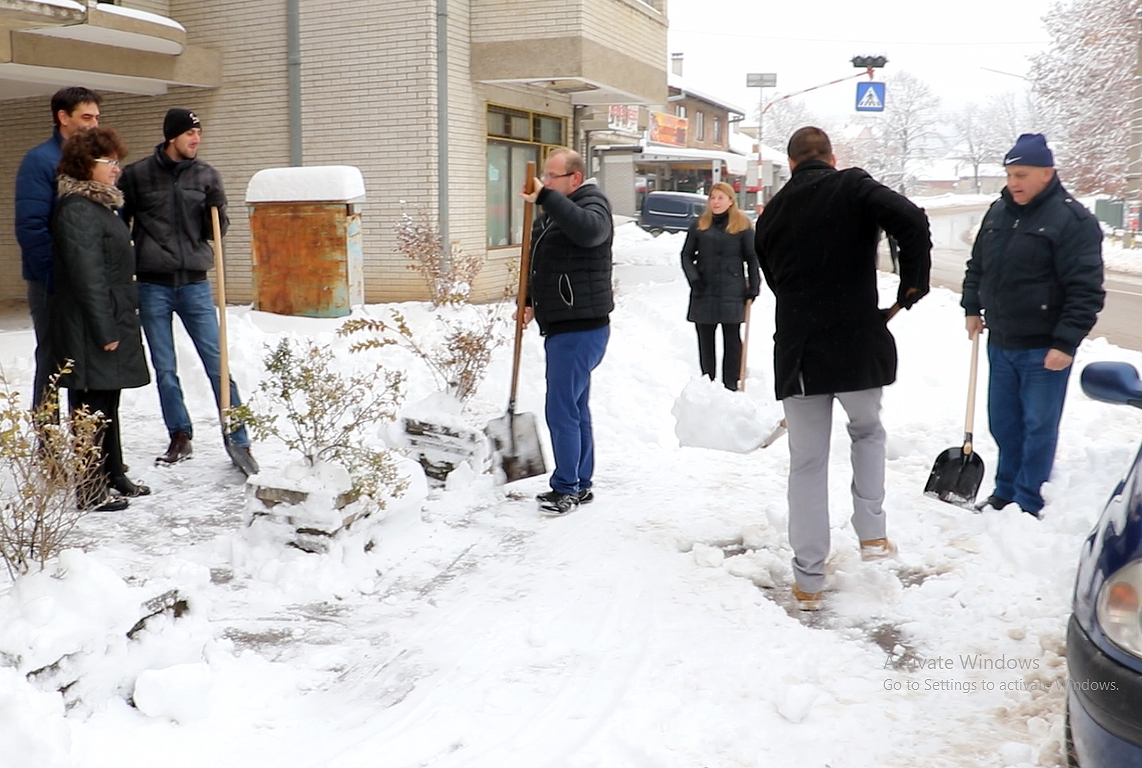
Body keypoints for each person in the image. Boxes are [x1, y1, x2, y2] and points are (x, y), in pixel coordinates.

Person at [754, 126, 932, 611]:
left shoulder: (770, 217)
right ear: (831, 157)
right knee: (868, 432)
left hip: (800, 353)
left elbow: (775, 280)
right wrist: (910, 288)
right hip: (856, 342)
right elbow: (912, 221)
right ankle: (872, 534)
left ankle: (808, 580)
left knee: (807, 464)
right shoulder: (853, 186)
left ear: (790, 164)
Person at [962, 133, 1104, 518]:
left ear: (1047, 173)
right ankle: (1003, 492)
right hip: (1001, 341)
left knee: (1038, 427)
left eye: (1021, 174)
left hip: (1045, 347)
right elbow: (978, 266)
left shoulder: (1073, 221)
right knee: (1003, 424)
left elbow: (1086, 290)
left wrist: (1065, 343)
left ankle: (1027, 499)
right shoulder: (998, 212)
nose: (1014, 183)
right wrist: (972, 306)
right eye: (1009, 174)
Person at [118, 108, 256, 472]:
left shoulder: (207, 175)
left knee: (217, 364)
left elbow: (215, 232)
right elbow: (120, 225)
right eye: (190, 133)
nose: (197, 139)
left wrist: (217, 209)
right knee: (165, 368)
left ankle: (237, 437)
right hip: (153, 285)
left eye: (199, 133)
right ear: (171, 137)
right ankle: (180, 434)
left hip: (195, 284)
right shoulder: (136, 175)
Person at [50, 127, 151, 512]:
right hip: (93, 327)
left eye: (116, 161)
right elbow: (87, 276)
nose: (116, 169)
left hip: (110, 319)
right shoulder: (76, 210)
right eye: (109, 162)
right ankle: (90, 490)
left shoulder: (98, 206)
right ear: (86, 165)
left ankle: (113, 474)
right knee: (91, 408)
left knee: (108, 402)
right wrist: (105, 330)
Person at [518, 148, 613, 516]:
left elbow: (589, 233)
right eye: (544, 177)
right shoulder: (555, 212)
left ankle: (566, 488)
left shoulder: (593, 205)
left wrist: (545, 197)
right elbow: (538, 261)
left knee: (560, 410)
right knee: (574, 408)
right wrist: (528, 299)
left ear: (574, 178)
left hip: (581, 327)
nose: (545, 182)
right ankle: (580, 482)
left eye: (552, 177)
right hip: (563, 324)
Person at [15, 87, 102, 412]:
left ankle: (86, 442)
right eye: (85, 117)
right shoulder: (40, 161)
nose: (93, 124)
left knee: (88, 360)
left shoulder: (96, 161)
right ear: (62, 117)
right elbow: (31, 227)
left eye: (96, 117)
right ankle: (48, 443)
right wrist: (54, 277)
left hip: (89, 281)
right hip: (50, 282)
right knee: (53, 358)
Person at [680, 181, 761, 391]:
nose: (715, 202)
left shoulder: (742, 225)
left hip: (732, 290)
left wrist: (754, 286)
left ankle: (730, 384)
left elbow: (752, 258)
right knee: (705, 339)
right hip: (703, 290)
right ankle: (708, 382)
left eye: (720, 197)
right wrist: (694, 279)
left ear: (730, 200)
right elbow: (686, 255)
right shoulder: (699, 224)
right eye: (712, 197)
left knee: (732, 339)